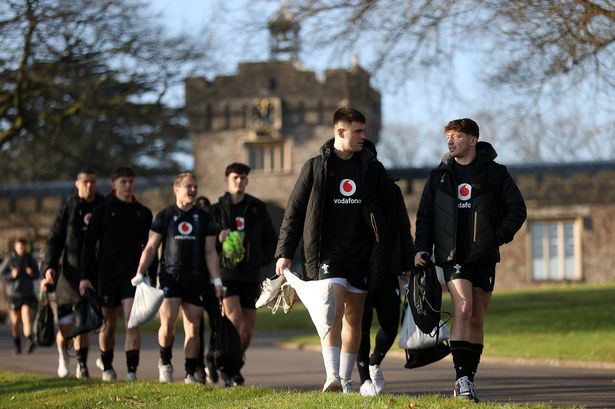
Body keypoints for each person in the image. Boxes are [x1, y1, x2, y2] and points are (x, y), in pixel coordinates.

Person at [275, 107, 398, 393]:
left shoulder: (372, 168)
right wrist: (284, 251)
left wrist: (393, 256)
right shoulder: (315, 166)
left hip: (363, 253)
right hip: (327, 253)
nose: (363, 137)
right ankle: (331, 374)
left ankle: (345, 380)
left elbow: (391, 214)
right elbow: (294, 210)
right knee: (331, 309)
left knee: (354, 317)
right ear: (340, 132)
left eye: (364, 131)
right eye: (358, 132)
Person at [414, 118, 526, 402]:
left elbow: (517, 209)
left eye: (457, 136)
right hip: (453, 256)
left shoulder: (496, 174)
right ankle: (461, 379)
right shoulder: (438, 176)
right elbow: (425, 216)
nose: (450, 141)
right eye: (448, 137)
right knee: (463, 308)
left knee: (477, 315)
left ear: (473, 140)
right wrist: (421, 248)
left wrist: (494, 236)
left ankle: (468, 378)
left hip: (484, 255)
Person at [133, 172, 224, 384]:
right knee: (168, 324)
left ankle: (190, 372)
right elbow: (151, 247)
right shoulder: (164, 216)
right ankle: (165, 362)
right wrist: (140, 272)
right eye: (188, 186)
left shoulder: (204, 218)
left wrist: (217, 281)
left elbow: (211, 252)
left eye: (195, 186)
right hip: (170, 277)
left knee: (193, 326)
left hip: (196, 278)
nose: (193, 190)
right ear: (176, 189)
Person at [79, 166, 154, 381]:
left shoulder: (142, 212)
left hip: (132, 277)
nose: (128, 185)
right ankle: (108, 367)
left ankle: (132, 371)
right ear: (114, 184)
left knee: (132, 321)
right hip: (107, 275)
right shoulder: (102, 209)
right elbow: (89, 244)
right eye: (124, 181)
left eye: (131, 181)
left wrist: (151, 273)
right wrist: (85, 275)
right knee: (108, 325)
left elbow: (150, 247)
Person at [210, 162, 277, 387]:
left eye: (243, 178)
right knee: (234, 319)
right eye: (235, 177)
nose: (239, 181)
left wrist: (261, 259)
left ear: (247, 180)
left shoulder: (257, 208)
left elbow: (271, 239)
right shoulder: (216, 209)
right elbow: (206, 244)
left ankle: (227, 361)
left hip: (250, 275)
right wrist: (219, 241)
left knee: (247, 330)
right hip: (226, 273)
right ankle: (229, 372)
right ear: (227, 180)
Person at [40, 167, 103, 379]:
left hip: (92, 273)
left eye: (93, 181)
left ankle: (82, 364)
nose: (89, 185)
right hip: (69, 275)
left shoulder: (102, 206)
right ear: (77, 184)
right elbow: (54, 240)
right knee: (66, 327)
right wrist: (49, 267)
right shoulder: (68, 207)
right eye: (85, 182)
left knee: (84, 324)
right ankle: (62, 356)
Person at [357, 180, 414, 396]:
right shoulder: (353, 186)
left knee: (390, 324)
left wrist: (408, 263)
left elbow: (403, 227)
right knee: (360, 326)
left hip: (389, 269)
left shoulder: (392, 190)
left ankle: (375, 362)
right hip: (360, 268)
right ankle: (364, 381)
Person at [194, 195, 222, 385]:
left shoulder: (213, 227)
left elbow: (217, 253)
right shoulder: (191, 227)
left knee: (217, 326)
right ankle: (198, 369)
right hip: (195, 282)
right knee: (196, 327)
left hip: (212, 282)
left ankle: (210, 359)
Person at [0, 238, 40, 355]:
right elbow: (1, 274)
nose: (22, 249)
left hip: (27, 294)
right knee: (15, 322)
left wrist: (32, 273)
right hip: (14, 295)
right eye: (19, 246)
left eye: (23, 246)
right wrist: (11, 275)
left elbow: (38, 274)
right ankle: (17, 345)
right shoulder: (10, 259)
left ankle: (29, 340)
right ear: (15, 247)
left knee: (26, 316)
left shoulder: (30, 259)